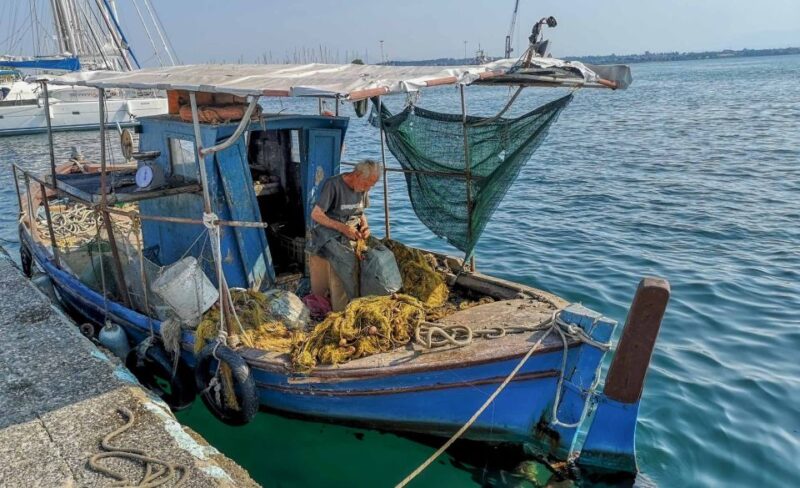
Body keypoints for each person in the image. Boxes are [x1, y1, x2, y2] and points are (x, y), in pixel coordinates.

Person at [307, 159, 381, 311]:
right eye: (367, 184)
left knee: (381, 255)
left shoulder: (363, 188)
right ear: (357, 174)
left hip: (354, 233)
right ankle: (343, 309)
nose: (368, 189)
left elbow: (360, 213)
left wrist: (365, 226)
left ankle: (367, 301)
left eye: (371, 186)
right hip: (330, 233)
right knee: (347, 261)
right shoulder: (333, 185)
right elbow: (316, 215)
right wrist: (343, 228)